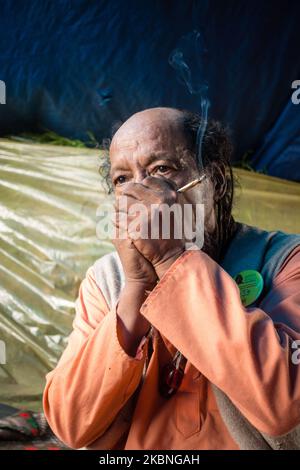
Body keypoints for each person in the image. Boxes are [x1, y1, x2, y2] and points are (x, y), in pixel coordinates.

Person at [43, 107, 300, 450]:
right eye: (122, 180)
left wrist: (171, 258)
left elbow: (285, 405)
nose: (141, 197)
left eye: (161, 169)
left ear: (216, 182)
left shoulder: (285, 260)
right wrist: (136, 289)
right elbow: (69, 425)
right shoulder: (106, 281)